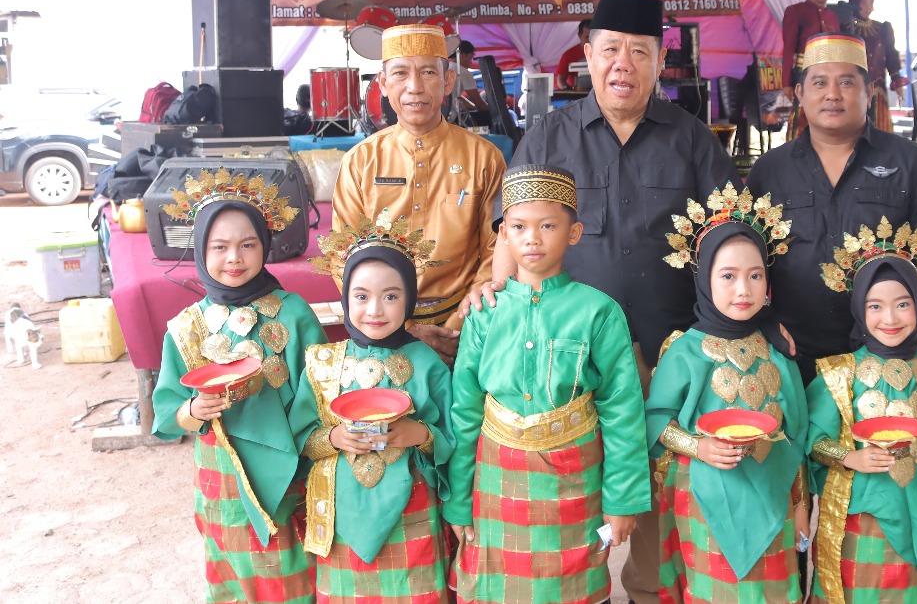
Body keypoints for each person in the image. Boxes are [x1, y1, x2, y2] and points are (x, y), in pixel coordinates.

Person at [460, 0, 738, 604]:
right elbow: (514, 224)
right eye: (610, 49)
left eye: (639, 52)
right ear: (587, 56)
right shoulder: (550, 135)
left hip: (672, 343)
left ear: (660, 60)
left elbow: (729, 233)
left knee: (661, 471)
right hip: (570, 349)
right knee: (576, 470)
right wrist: (494, 284)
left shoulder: (691, 138)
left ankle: (649, 588)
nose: (623, 64)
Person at [446, 165, 650, 604]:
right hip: (496, 479)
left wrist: (622, 500)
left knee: (573, 585)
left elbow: (623, 411)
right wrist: (459, 501)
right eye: (518, 226)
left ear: (574, 233)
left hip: (575, 481)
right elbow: (463, 411)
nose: (532, 238)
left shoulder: (599, 312)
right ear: (503, 235)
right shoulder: (483, 313)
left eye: (548, 226)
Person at [747, 34, 917, 386]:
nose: (832, 94)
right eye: (819, 82)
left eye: (846, 82)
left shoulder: (908, 162)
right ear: (801, 94)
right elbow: (748, 261)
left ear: (870, 90)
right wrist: (763, 323)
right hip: (794, 353)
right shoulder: (770, 170)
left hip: (889, 352)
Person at [151, 169, 326, 603]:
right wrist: (193, 412)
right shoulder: (186, 328)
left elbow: (322, 389)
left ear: (265, 245)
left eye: (247, 245)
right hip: (221, 473)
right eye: (220, 246)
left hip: (290, 472)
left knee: (290, 568)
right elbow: (167, 414)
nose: (235, 258)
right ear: (200, 250)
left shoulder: (293, 313)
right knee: (231, 570)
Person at [645, 186, 808, 603]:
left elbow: (797, 434)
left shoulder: (777, 347)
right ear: (703, 279)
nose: (744, 290)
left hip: (773, 493)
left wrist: (802, 502)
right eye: (728, 276)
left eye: (756, 276)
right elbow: (656, 419)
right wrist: (698, 448)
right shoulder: (685, 350)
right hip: (705, 498)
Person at [807, 217, 917, 603]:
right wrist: (849, 457)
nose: (891, 318)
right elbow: (812, 443)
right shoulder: (838, 374)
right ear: (858, 309)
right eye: (875, 306)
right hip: (856, 521)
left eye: (903, 304)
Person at [293, 211, 455, 601]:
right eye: (361, 296)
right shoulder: (321, 362)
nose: (375, 310)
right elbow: (300, 437)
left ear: (410, 298)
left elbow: (456, 436)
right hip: (340, 507)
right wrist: (334, 437)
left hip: (412, 508)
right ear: (345, 297)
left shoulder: (427, 362)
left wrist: (421, 434)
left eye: (391, 296)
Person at [332, 22, 506, 365]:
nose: (414, 87)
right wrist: (405, 327)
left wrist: (458, 326)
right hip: (382, 326)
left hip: (468, 327)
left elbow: (496, 251)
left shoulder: (484, 157)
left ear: (448, 81)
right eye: (400, 74)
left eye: (428, 72)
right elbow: (344, 256)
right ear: (382, 84)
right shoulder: (361, 161)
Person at [838, 0, 906, 132]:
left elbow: (891, 55)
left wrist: (897, 81)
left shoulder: (882, 28)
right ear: (855, 2)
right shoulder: (844, 29)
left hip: (877, 87)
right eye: (864, 2)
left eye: (870, 2)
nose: (868, 7)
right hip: (851, 88)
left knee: (877, 127)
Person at [780, 0, 839, 89]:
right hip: (804, 74)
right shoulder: (796, 11)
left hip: (829, 76)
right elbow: (789, 48)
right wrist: (786, 83)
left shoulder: (832, 16)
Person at [451, 40, 488, 115]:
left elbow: (458, 98)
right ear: (462, 55)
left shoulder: (445, 67)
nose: (471, 62)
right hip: (451, 119)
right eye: (470, 58)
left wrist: (474, 107)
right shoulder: (463, 72)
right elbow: (479, 103)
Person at [556, 20, 592, 89]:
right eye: (587, 37)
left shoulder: (603, 52)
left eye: (592, 37)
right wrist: (570, 91)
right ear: (579, 35)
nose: (590, 40)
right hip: (578, 96)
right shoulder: (568, 55)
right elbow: (560, 80)